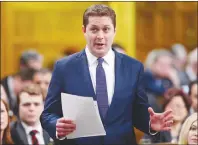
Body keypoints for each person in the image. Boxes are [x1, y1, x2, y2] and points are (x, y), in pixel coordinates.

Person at [40, 4, 173, 145]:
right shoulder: (64, 67)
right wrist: (57, 126)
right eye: (94, 29)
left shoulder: (133, 67)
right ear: (84, 30)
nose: (100, 36)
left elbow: (138, 112)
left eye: (106, 29)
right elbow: (48, 114)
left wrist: (150, 124)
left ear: (114, 31)